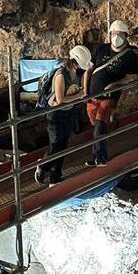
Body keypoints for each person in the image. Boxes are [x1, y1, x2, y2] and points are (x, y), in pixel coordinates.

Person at [84, 20, 138, 166]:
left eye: (120, 34)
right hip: (92, 94)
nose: (117, 37)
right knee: (95, 125)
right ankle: (95, 155)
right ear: (109, 34)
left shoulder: (130, 55)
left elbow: (132, 77)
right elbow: (89, 70)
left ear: (126, 36)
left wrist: (114, 85)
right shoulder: (101, 49)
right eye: (114, 34)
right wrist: (85, 91)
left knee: (100, 124)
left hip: (110, 96)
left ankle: (101, 157)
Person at [36, 45, 92, 185]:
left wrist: (79, 95)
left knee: (63, 144)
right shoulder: (61, 74)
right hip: (55, 113)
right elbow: (60, 99)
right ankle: (43, 166)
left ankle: (55, 177)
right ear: (75, 62)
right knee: (56, 144)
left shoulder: (77, 74)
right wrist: (79, 95)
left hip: (69, 111)